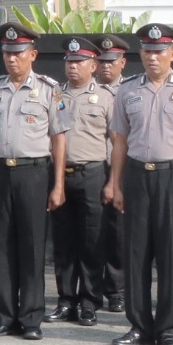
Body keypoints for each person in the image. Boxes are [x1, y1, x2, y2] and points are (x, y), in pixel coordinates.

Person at [106, 23, 173, 345]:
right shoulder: (127, 90)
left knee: (171, 253)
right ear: (141, 54)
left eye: (159, 51)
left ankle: (167, 328)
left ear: (172, 55)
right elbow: (119, 142)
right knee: (136, 252)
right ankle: (138, 325)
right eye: (148, 51)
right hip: (136, 176)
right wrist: (115, 183)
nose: (153, 57)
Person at [0, 22, 66, 339]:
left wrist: (58, 185)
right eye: (6, 53)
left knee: (31, 246)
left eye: (18, 53)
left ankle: (30, 319)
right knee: (1, 247)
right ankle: (4, 316)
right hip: (1, 171)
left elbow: (59, 139)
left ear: (32, 54)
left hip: (33, 172)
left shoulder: (49, 90)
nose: (11, 59)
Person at [50, 38, 115, 326]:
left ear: (93, 66)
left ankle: (89, 302)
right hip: (60, 174)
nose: (72, 67)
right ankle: (66, 299)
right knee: (63, 242)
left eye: (78, 62)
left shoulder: (105, 97)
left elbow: (116, 141)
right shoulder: (53, 94)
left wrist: (113, 181)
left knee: (91, 241)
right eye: (69, 61)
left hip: (92, 173)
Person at [95, 35, 130, 308]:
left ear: (122, 63)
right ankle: (92, 288)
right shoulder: (83, 89)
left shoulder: (129, 91)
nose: (106, 66)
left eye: (111, 61)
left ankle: (116, 290)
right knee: (94, 232)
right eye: (102, 61)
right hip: (93, 167)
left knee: (118, 232)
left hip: (122, 168)